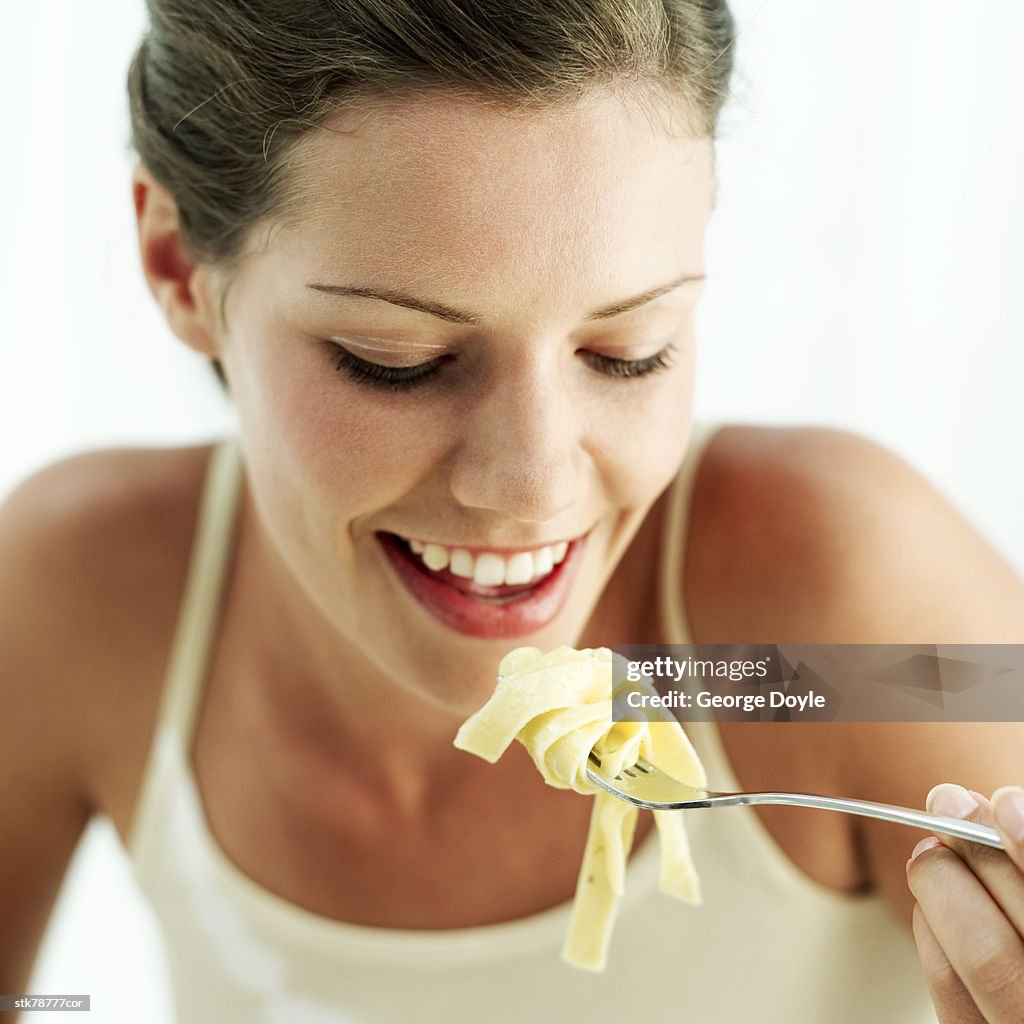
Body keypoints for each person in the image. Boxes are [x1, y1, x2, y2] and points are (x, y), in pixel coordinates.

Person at [1, 1, 1023, 1020]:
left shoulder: (836, 608)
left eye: (628, 349)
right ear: (179, 264)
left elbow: (979, 696)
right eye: (397, 361)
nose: (535, 484)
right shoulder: (84, 597)